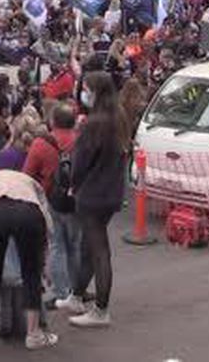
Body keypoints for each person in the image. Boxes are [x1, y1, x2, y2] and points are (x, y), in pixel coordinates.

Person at [56, 71, 127, 328]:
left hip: (93, 193)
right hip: (111, 191)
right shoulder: (118, 118)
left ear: (94, 92)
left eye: (85, 88)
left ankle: (101, 309)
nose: (82, 93)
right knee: (90, 246)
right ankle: (77, 295)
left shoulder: (93, 124)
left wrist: (73, 184)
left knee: (98, 250)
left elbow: (80, 163)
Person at [0, 169, 55, 350]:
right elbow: (43, 209)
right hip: (28, 212)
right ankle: (33, 334)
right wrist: (47, 246)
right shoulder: (31, 181)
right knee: (31, 273)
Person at [25, 102, 81, 305]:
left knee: (57, 245)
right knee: (76, 245)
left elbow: (27, 175)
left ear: (52, 121)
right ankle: (78, 290)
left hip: (51, 200)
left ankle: (60, 291)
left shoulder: (41, 144)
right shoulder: (81, 142)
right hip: (77, 201)